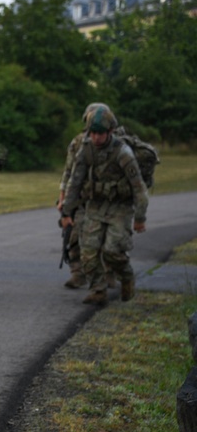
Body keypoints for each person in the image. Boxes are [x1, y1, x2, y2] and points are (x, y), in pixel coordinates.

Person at [60, 105, 147, 305]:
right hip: (95, 206)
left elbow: (139, 188)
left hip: (120, 208)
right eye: (93, 132)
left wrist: (140, 218)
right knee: (88, 252)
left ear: (110, 132)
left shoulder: (123, 153)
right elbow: (75, 182)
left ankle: (126, 276)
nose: (97, 137)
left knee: (112, 251)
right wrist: (66, 211)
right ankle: (98, 290)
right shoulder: (86, 150)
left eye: (101, 133)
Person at [58, 103, 108, 289]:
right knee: (73, 234)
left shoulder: (116, 143)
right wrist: (63, 198)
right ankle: (77, 273)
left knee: (104, 238)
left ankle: (107, 272)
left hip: (106, 200)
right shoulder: (78, 142)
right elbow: (68, 171)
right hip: (81, 197)